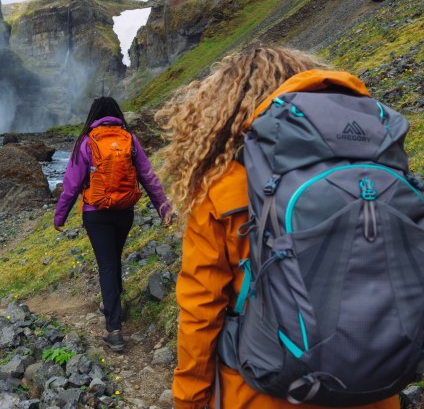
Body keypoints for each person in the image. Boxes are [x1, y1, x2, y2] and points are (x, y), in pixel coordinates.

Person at [155, 47, 399, 408]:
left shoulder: (223, 187)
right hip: (372, 383)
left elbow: (201, 309)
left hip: (267, 387)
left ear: (222, 112)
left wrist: (190, 398)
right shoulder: (378, 175)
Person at [54, 96, 172, 352]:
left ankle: (114, 330)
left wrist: (60, 216)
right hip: (124, 211)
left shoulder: (86, 141)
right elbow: (148, 176)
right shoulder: (129, 139)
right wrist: (163, 207)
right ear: (117, 114)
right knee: (114, 259)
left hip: (95, 213)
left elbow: (72, 184)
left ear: (93, 116)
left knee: (107, 265)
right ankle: (113, 304)